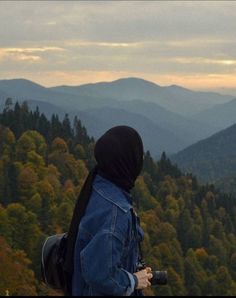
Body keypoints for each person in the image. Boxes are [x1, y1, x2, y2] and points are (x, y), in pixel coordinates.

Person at [64, 126, 153, 296]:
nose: (141, 159)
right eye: (137, 155)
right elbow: (101, 275)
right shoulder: (116, 213)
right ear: (125, 160)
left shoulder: (98, 185)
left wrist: (134, 271)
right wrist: (134, 280)